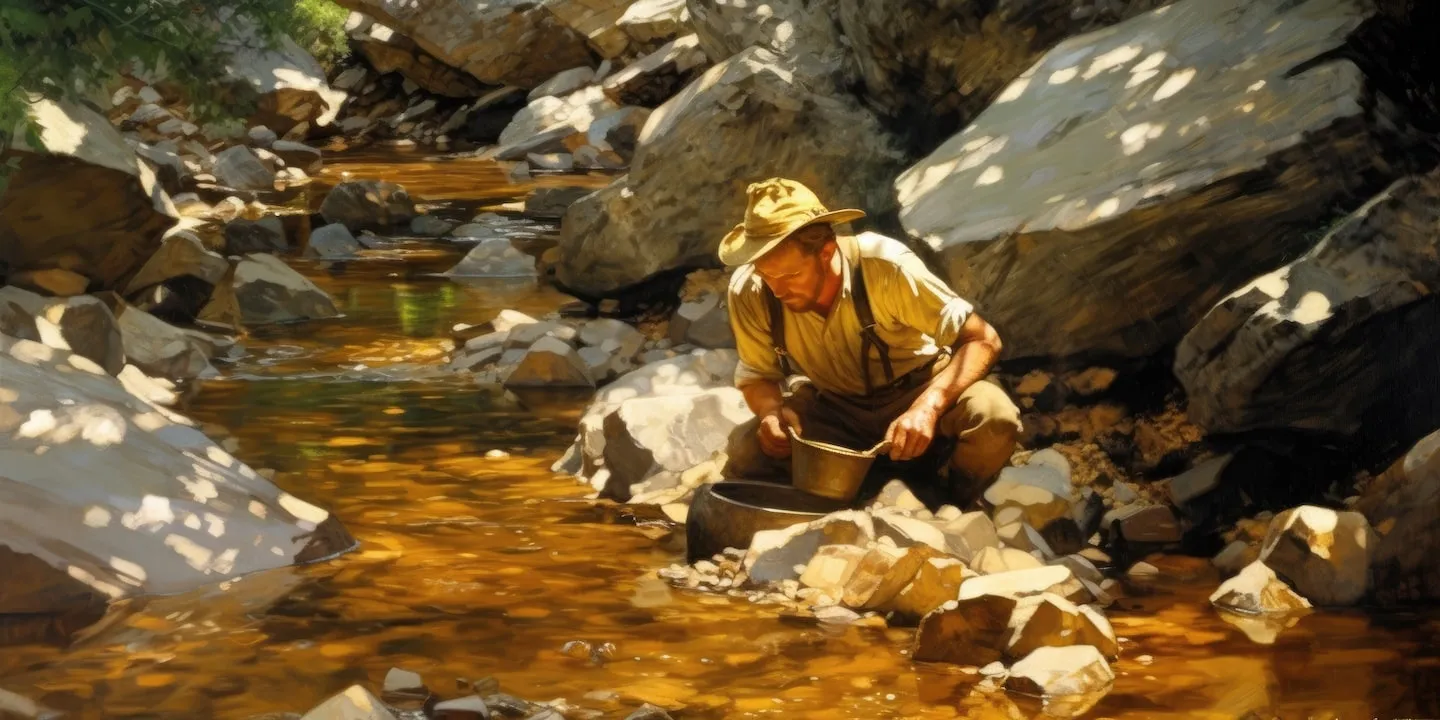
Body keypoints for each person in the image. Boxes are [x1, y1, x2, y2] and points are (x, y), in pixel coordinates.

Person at [720, 177, 1022, 507]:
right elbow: (757, 375)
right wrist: (769, 412)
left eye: (791, 276)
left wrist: (929, 407)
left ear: (826, 252)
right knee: (747, 451)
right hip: (834, 407)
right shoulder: (749, 289)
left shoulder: (885, 266)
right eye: (768, 276)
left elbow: (983, 339)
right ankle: (847, 493)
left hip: (919, 388)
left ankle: (954, 501)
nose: (777, 290)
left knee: (994, 417)